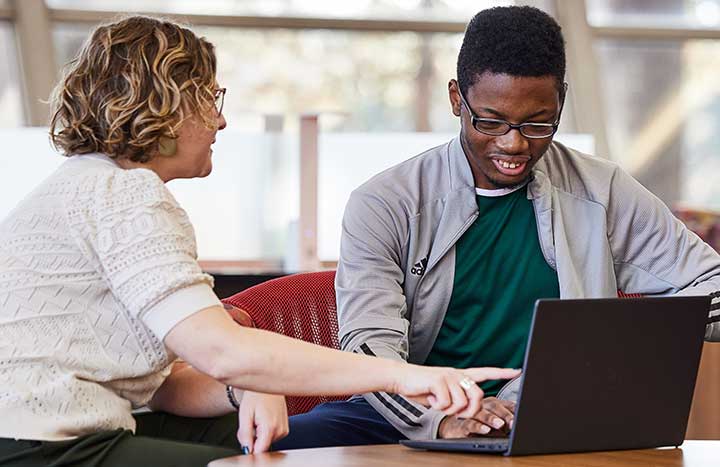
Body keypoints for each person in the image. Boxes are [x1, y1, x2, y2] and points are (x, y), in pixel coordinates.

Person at [0, 16, 520, 467]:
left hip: (58, 434)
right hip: (40, 447)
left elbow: (162, 384)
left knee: (278, 447)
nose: (220, 119)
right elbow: (223, 351)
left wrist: (249, 382)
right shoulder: (124, 194)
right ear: (164, 102)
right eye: (208, 98)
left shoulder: (91, 185)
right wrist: (405, 378)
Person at [273, 5, 720, 450]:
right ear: (455, 99)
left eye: (538, 123)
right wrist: (443, 418)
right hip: (406, 411)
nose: (515, 143)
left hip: (555, 409)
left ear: (561, 100)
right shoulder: (386, 202)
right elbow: (368, 345)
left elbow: (711, 283)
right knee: (285, 448)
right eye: (490, 121)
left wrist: (628, 339)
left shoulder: (602, 191)